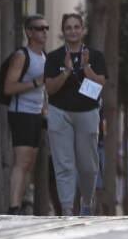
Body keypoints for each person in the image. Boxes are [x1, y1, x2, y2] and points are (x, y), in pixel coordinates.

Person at [44, 13, 108, 216]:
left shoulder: (95, 56)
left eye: (76, 27)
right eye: (68, 27)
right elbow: (50, 89)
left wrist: (86, 67)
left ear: (83, 30)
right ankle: (67, 208)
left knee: (88, 166)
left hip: (87, 112)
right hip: (59, 112)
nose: (72, 31)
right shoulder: (54, 57)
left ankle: (87, 202)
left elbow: (100, 84)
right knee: (64, 163)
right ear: (63, 31)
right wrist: (66, 71)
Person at [4, 14, 49, 215]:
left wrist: (45, 106)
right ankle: (13, 207)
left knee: (29, 162)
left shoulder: (44, 56)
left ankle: (21, 205)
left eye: (46, 28)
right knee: (21, 161)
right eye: (40, 28)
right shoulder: (22, 55)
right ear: (29, 32)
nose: (44, 32)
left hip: (36, 114)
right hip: (20, 112)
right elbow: (8, 87)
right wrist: (36, 82)